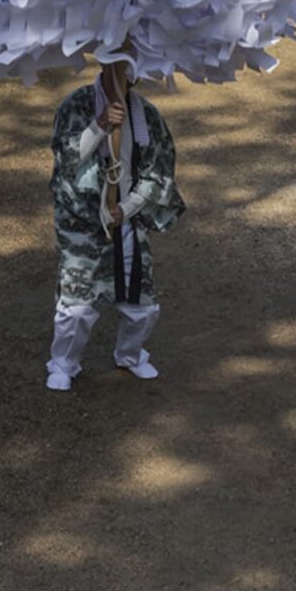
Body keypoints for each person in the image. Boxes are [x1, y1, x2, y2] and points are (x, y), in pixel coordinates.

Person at [47, 62, 181, 391]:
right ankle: (63, 364)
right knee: (77, 308)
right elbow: (65, 159)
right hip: (83, 219)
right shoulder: (76, 104)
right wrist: (100, 125)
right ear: (105, 64)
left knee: (142, 307)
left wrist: (127, 207)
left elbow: (159, 170)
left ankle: (131, 354)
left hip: (127, 217)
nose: (128, 75)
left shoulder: (146, 114)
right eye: (121, 66)